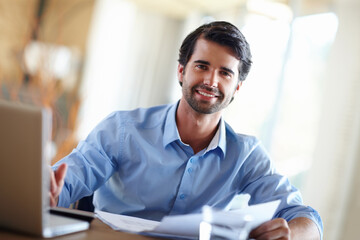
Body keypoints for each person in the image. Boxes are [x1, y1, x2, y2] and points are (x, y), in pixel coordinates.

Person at [51, 21, 323, 239]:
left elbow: (305, 217)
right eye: (202, 66)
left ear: (237, 87)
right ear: (181, 71)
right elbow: (69, 178)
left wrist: (293, 233)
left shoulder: (247, 155)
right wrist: (46, 189)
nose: (211, 81)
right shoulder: (123, 130)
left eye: (225, 73)